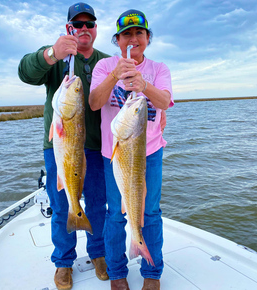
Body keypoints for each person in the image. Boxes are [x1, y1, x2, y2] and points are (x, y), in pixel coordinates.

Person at [18, 2, 110, 290]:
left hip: (96, 148)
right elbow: (25, 72)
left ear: (95, 29)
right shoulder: (56, 57)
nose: (84, 29)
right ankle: (63, 262)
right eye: (78, 24)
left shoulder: (105, 62)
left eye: (89, 24)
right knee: (61, 207)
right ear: (69, 27)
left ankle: (98, 254)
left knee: (97, 205)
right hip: (59, 147)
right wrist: (51, 54)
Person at [89, 9, 174, 290]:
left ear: (148, 38)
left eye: (139, 33)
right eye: (127, 33)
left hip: (149, 154)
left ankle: (152, 272)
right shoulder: (104, 67)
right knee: (115, 213)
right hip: (115, 154)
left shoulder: (159, 69)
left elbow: (163, 101)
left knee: (150, 212)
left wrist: (144, 85)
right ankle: (116, 272)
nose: (133, 38)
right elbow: (93, 103)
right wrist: (115, 75)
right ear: (117, 40)